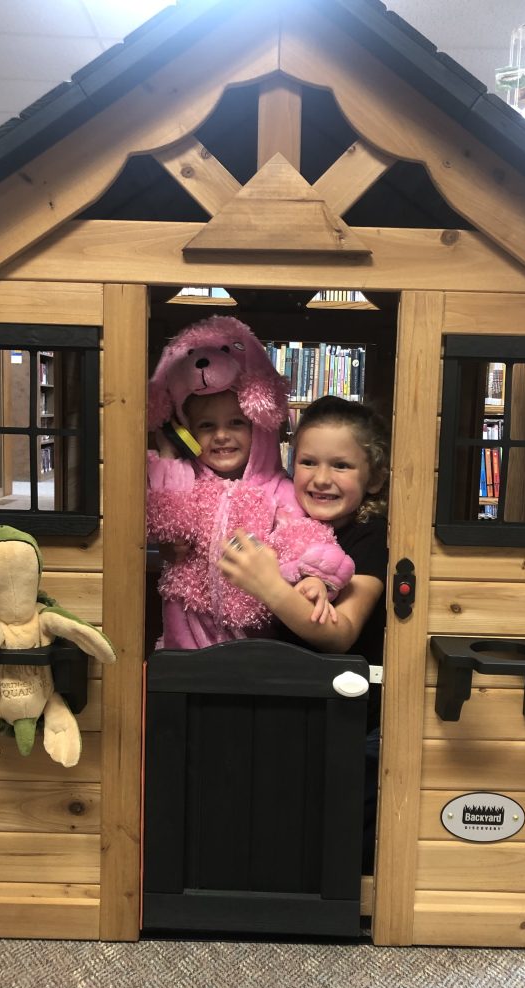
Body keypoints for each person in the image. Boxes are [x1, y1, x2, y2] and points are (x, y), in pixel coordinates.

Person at [218, 394, 390, 870]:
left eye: (341, 465)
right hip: (285, 700)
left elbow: (341, 633)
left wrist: (268, 585)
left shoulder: (369, 537)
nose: (320, 478)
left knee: (337, 820)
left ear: (373, 478)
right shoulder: (283, 523)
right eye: (308, 462)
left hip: (350, 713)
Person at [146, 317, 355, 650]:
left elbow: (301, 538)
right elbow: (165, 519)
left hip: (254, 640)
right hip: (184, 635)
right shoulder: (187, 479)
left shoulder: (277, 490)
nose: (222, 436)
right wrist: (169, 448)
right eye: (206, 426)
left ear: (258, 427)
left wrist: (317, 577)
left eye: (235, 423)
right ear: (187, 430)